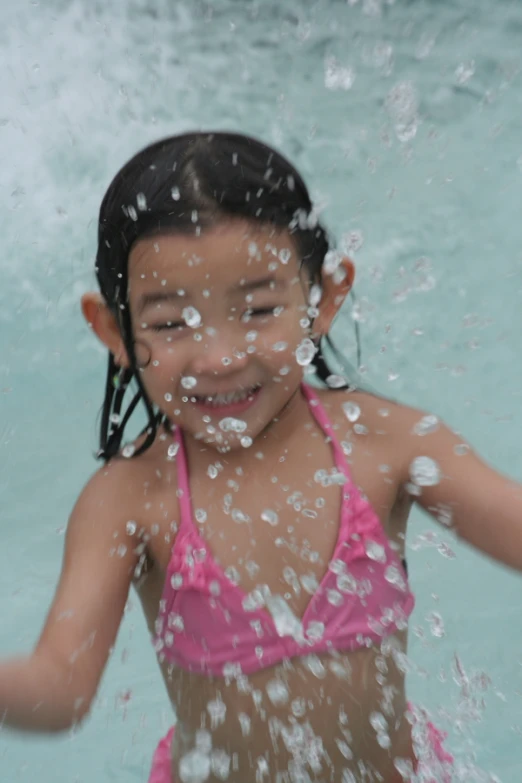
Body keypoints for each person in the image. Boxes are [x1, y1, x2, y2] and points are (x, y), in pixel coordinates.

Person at [2, 131, 522, 783]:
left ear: (325, 298)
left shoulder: (387, 444)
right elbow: (62, 689)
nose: (219, 356)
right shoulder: (132, 498)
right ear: (114, 329)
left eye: (259, 309)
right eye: (170, 323)